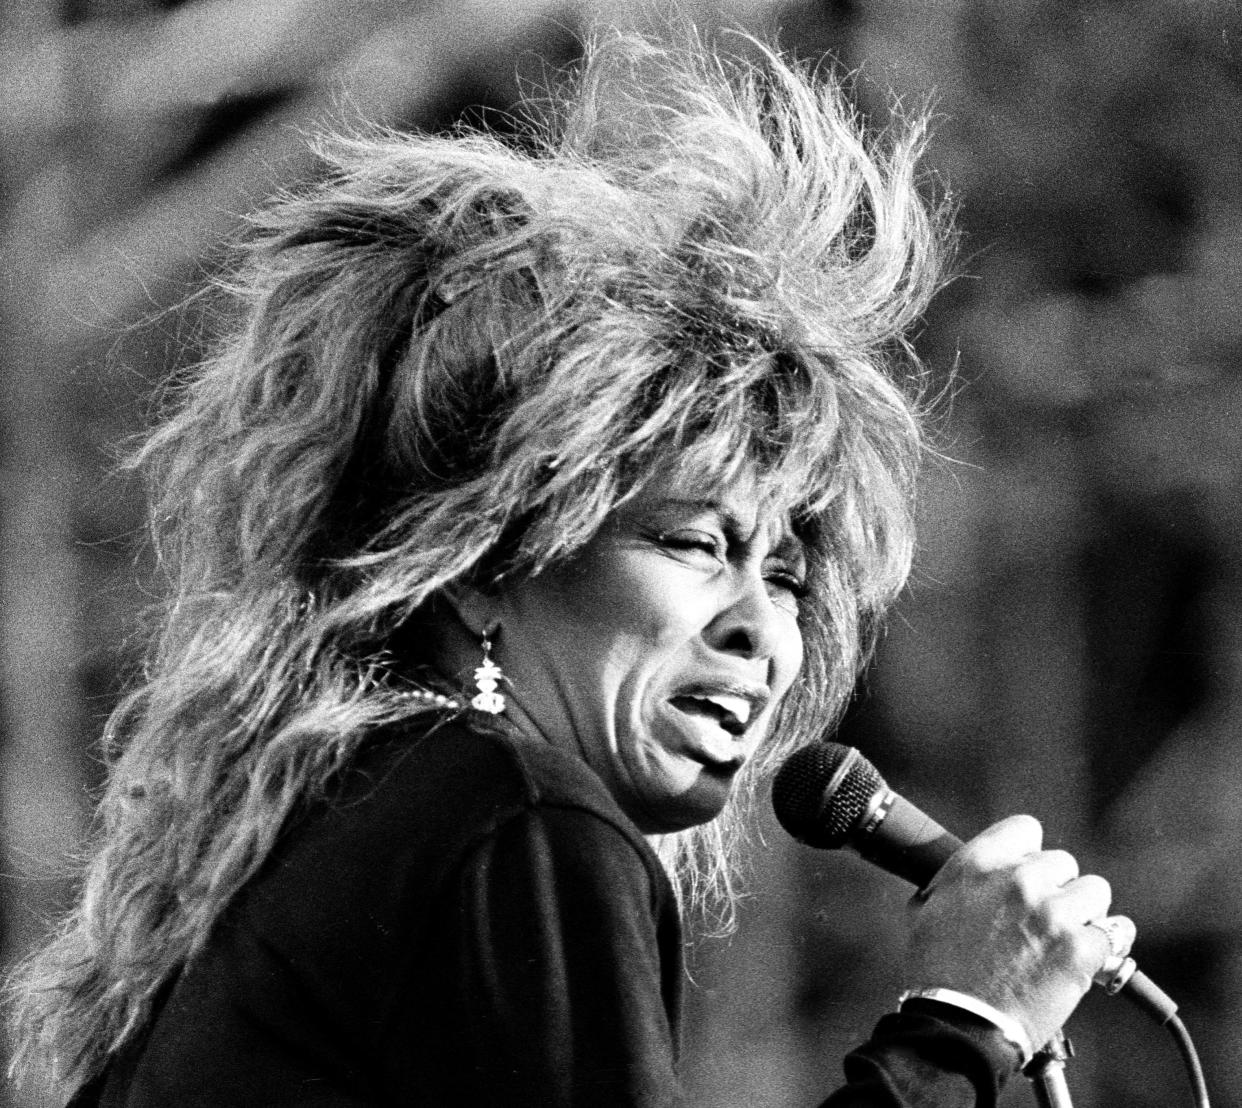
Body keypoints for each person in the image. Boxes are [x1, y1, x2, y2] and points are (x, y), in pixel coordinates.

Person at [7, 31, 1133, 1107]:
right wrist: (963, 1022)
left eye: (788, 576)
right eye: (697, 543)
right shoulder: (515, 821)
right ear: (488, 556)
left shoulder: (314, 832)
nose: (765, 632)